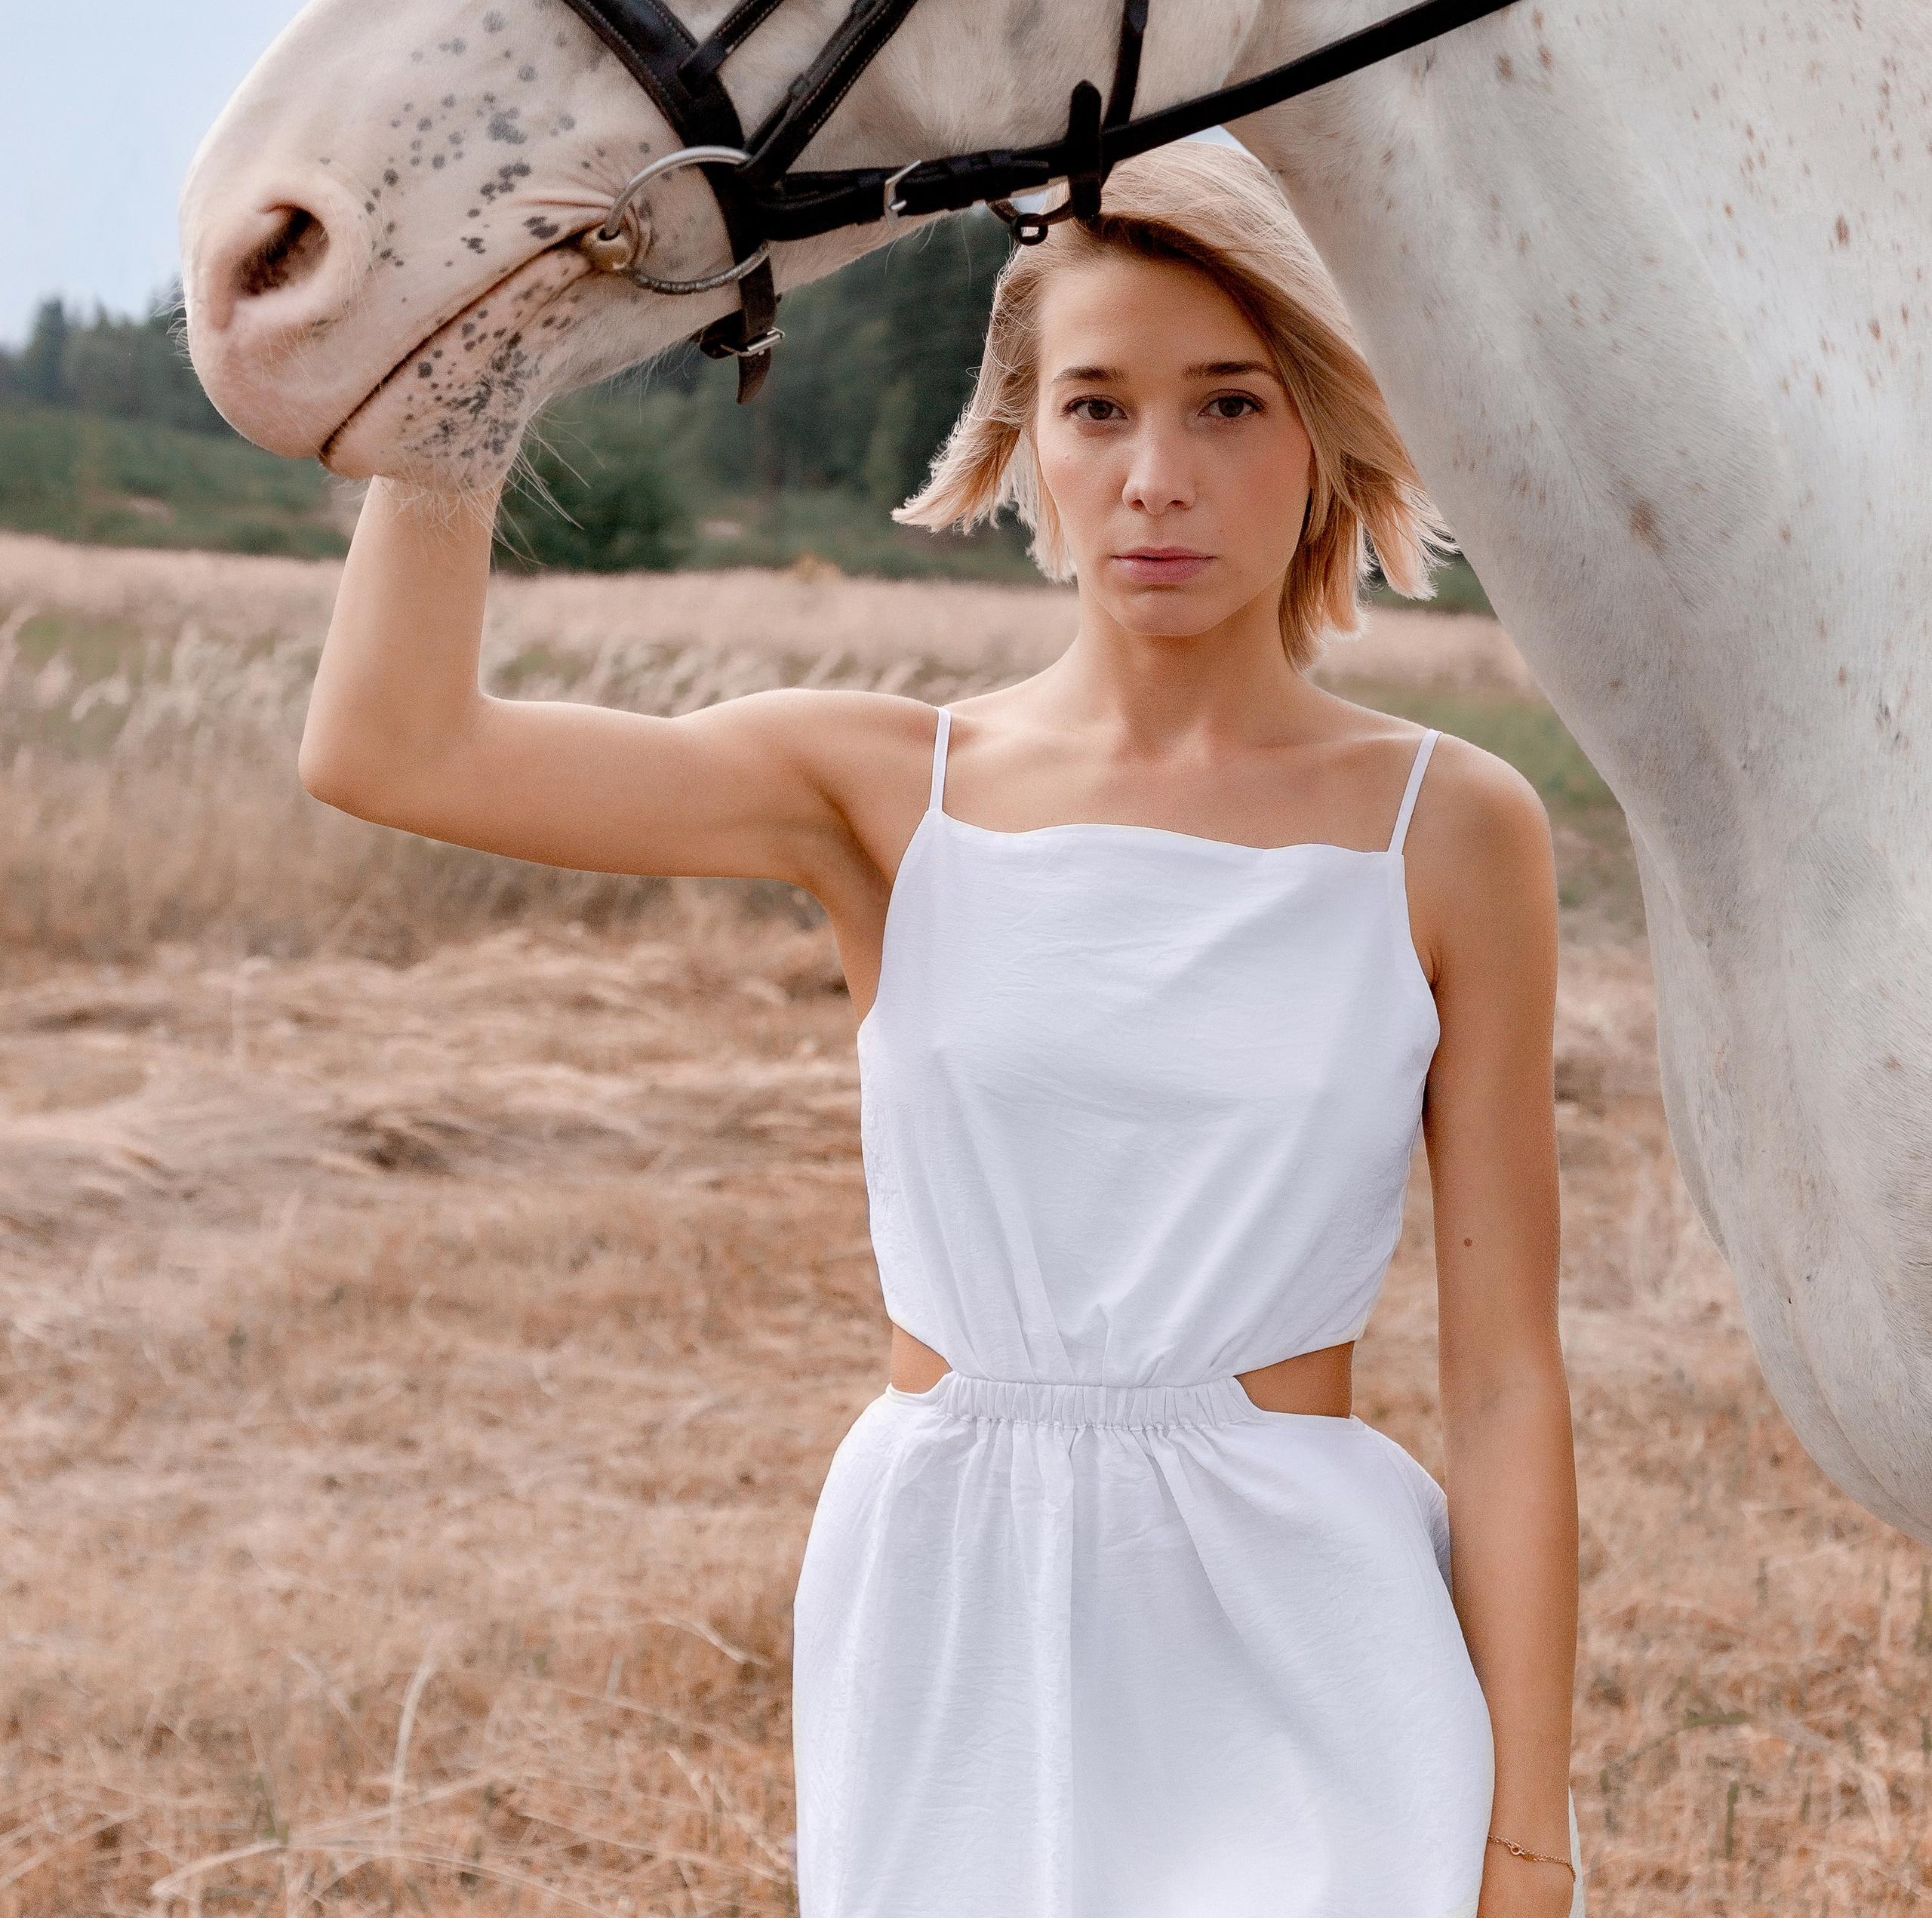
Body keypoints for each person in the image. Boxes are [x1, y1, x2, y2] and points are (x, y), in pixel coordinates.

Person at [302, 138, 1582, 1918]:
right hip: (950, 1603)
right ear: (1023, 455)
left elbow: (1507, 1380)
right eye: (1095, 409)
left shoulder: (1448, 827)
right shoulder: (885, 792)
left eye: (1226, 406)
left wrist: (1527, 1836)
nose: (1155, 478)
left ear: (1323, 441)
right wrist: (478, 365)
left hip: (1310, 1622)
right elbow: (391, 748)